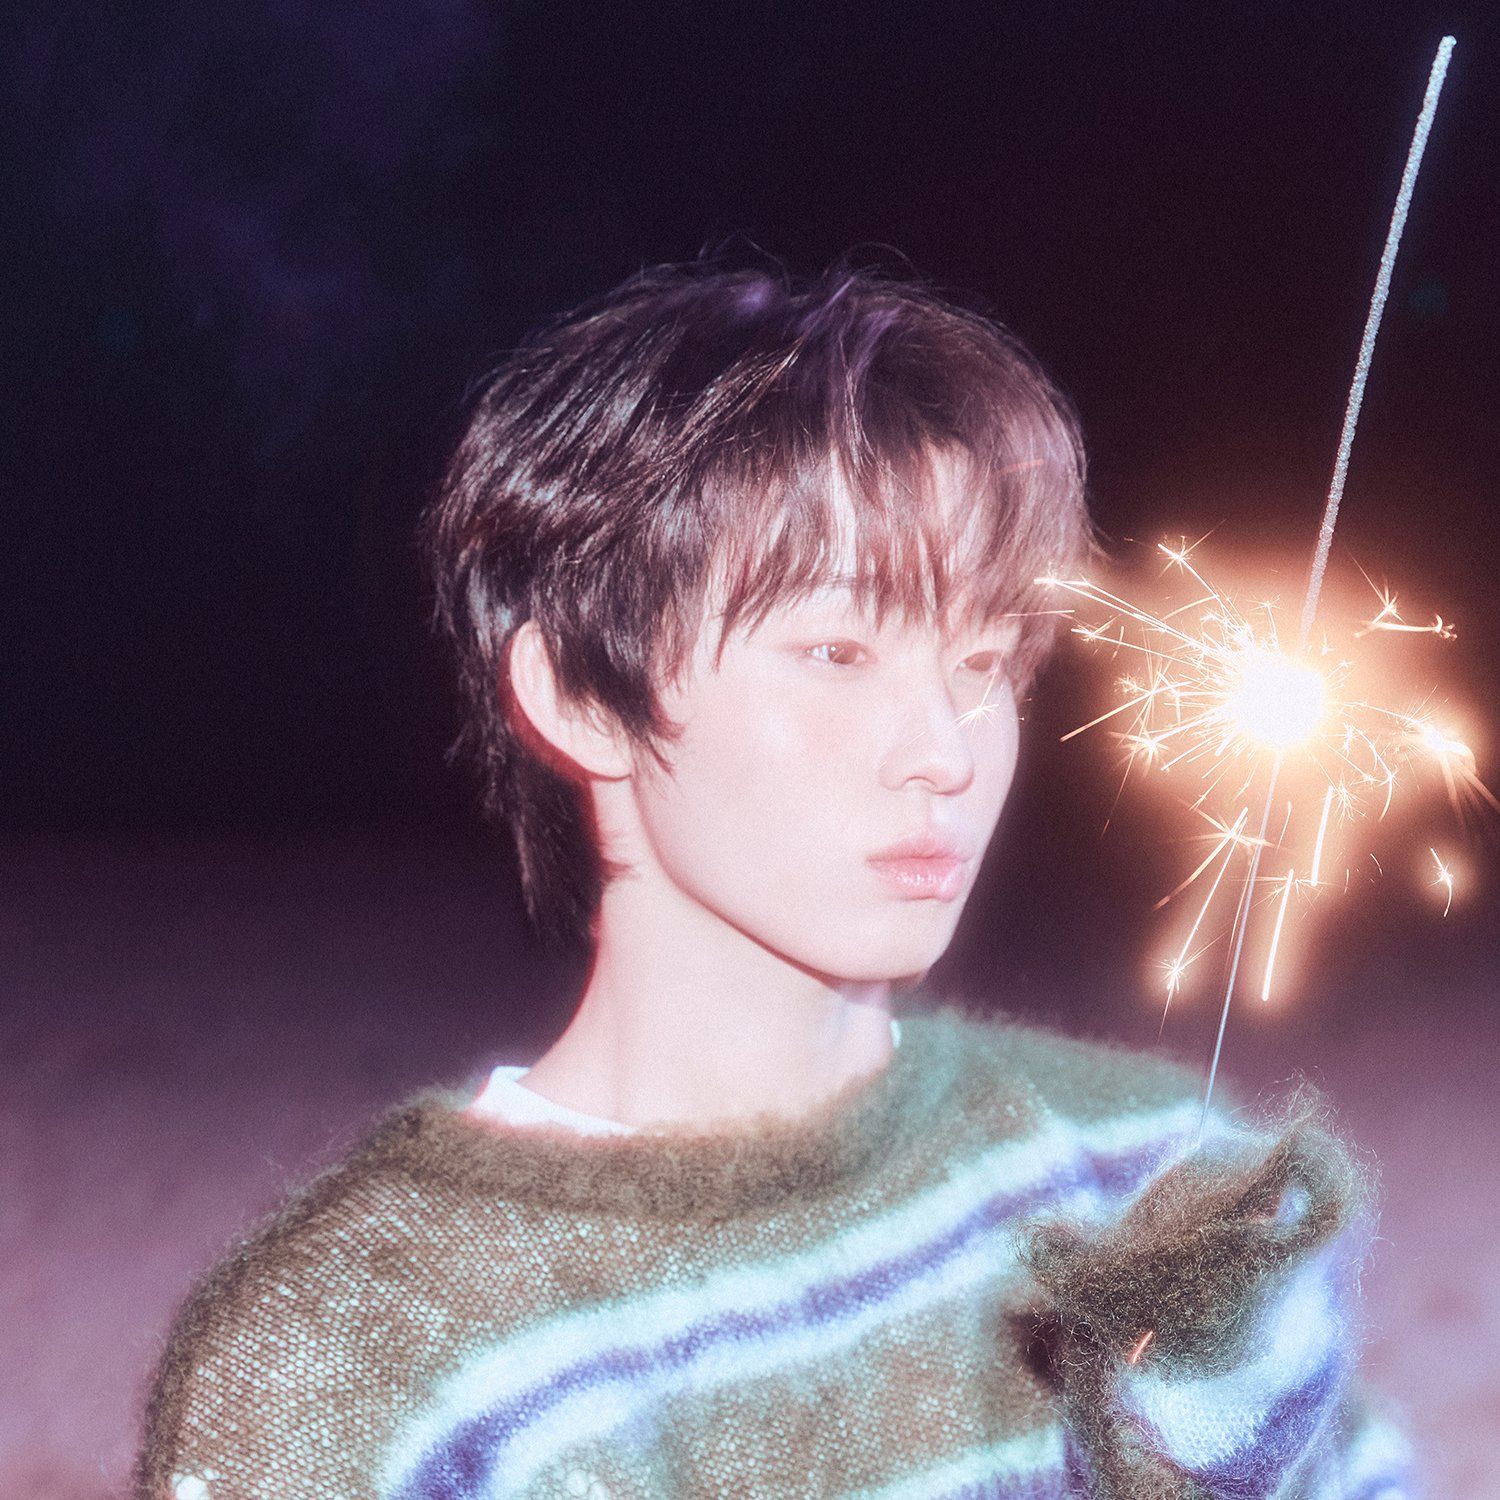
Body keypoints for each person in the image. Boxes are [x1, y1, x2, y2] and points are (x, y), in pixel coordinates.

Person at [133, 255, 1415, 1498]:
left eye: (985, 662)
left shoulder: (1154, 1179)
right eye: (837, 653)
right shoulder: (350, 1361)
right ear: (577, 695)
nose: (947, 752)